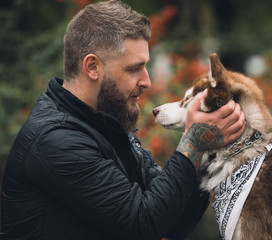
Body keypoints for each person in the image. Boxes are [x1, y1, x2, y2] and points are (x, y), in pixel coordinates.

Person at [0, 1, 245, 239]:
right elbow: (143, 224)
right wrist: (193, 141)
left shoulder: (107, 125)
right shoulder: (55, 140)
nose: (146, 81)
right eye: (133, 68)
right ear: (93, 67)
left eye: (146, 66)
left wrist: (202, 153)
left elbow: (173, 224)